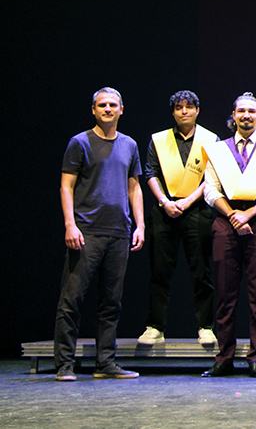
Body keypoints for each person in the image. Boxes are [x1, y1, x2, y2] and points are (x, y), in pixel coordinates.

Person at [54, 87, 144, 381]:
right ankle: (64, 364)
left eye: (112, 105)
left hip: (119, 231)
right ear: (93, 110)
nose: (107, 109)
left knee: (111, 302)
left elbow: (134, 187)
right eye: (102, 105)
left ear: (121, 109)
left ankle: (105, 363)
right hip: (86, 231)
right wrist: (70, 224)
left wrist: (140, 225)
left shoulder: (129, 145)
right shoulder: (80, 142)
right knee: (72, 299)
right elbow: (66, 186)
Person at [201, 93, 256, 377]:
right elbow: (210, 190)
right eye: (241, 111)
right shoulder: (218, 150)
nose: (246, 116)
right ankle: (224, 357)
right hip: (226, 223)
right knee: (225, 294)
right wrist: (233, 216)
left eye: (251, 111)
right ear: (234, 116)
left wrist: (247, 215)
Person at [139, 90, 218, 347]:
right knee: (160, 271)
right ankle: (155, 327)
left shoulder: (210, 140)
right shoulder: (159, 140)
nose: (184, 111)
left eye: (189, 107)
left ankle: (205, 327)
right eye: (178, 107)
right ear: (173, 112)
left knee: (201, 271)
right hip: (165, 210)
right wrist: (165, 201)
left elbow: (212, 177)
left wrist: (187, 201)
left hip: (197, 210)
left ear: (197, 110)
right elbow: (150, 172)